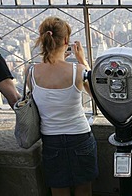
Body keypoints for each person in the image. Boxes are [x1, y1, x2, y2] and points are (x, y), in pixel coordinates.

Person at [31, 16, 97, 196]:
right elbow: (96, 93)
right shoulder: (78, 71)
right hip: (80, 136)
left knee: (59, 191)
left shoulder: (30, 72)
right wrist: (82, 60)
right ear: (66, 41)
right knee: (84, 190)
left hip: (51, 140)